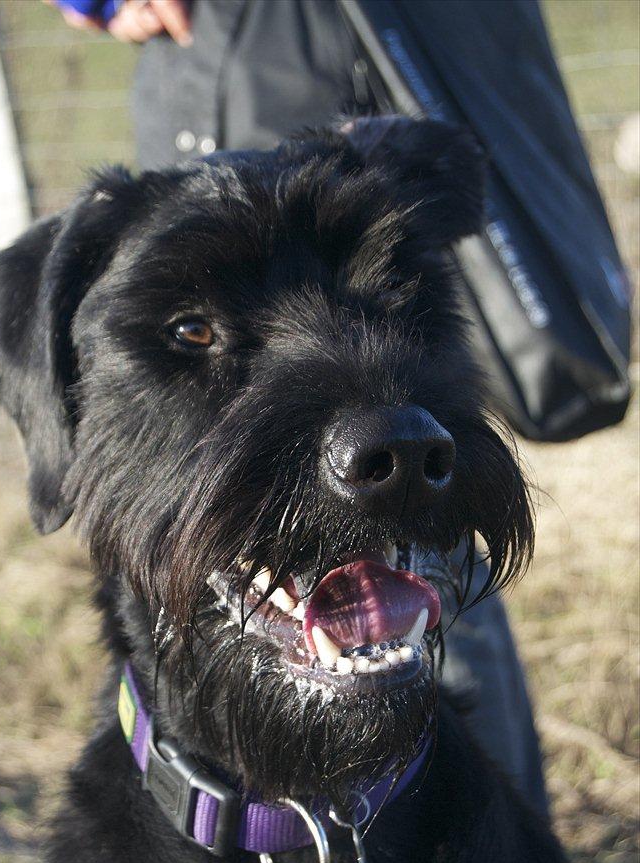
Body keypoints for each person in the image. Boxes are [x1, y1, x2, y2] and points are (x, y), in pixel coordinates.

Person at [49, 0, 548, 815]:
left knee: (439, 575)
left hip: (344, 48)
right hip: (223, 54)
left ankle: (487, 809)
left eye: (396, 302)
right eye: (193, 333)